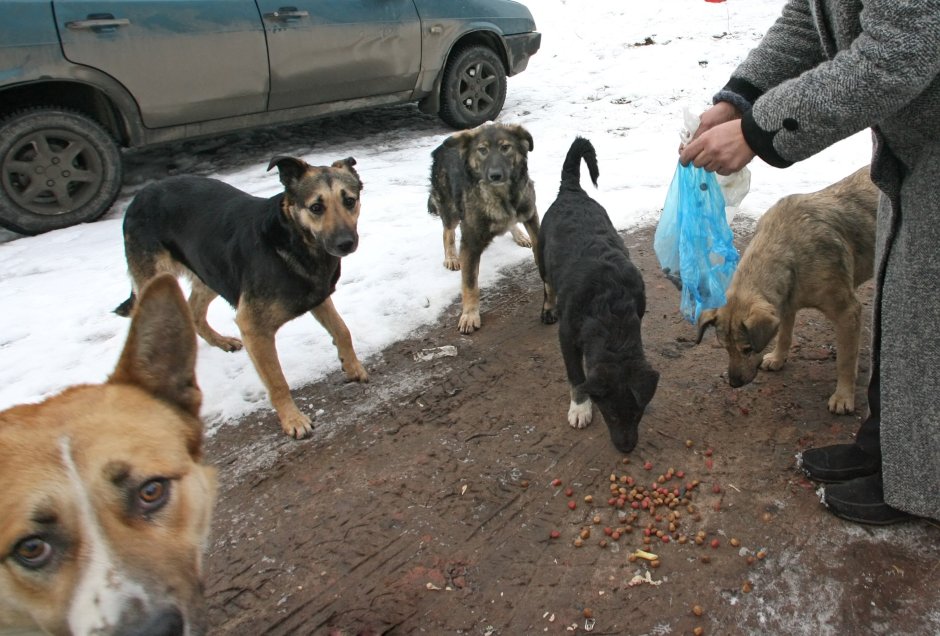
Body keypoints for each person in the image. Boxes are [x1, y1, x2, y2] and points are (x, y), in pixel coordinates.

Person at [679, 0, 940, 525]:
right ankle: (887, 447)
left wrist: (757, 131)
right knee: (904, 301)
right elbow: (808, 16)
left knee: (927, 312)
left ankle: (921, 482)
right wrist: (740, 98)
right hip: (912, 147)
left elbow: (898, 52)